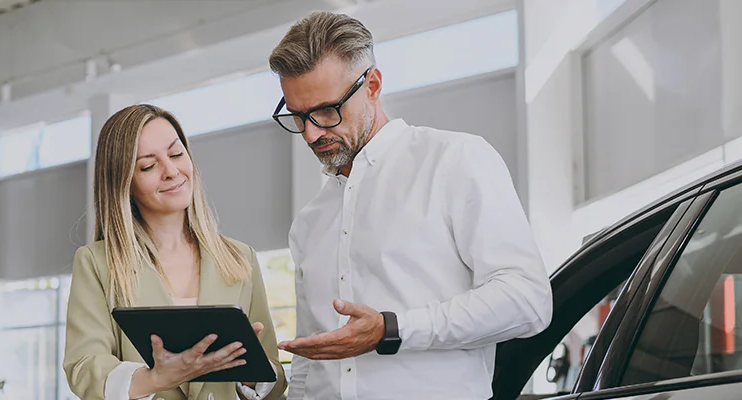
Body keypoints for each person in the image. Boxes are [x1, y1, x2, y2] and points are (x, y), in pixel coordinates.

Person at [268, 11, 553, 399]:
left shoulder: (454, 160)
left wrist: (392, 329)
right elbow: (308, 365)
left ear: (372, 85)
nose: (311, 133)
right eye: (299, 116)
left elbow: (527, 300)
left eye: (326, 111)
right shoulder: (309, 222)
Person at [63, 104, 287, 400]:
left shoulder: (239, 257)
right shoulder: (97, 262)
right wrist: (154, 379)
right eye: (148, 166)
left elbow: (274, 381)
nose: (171, 172)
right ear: (123, 182)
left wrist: (252, 374)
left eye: (176, 154)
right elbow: (84, 367)